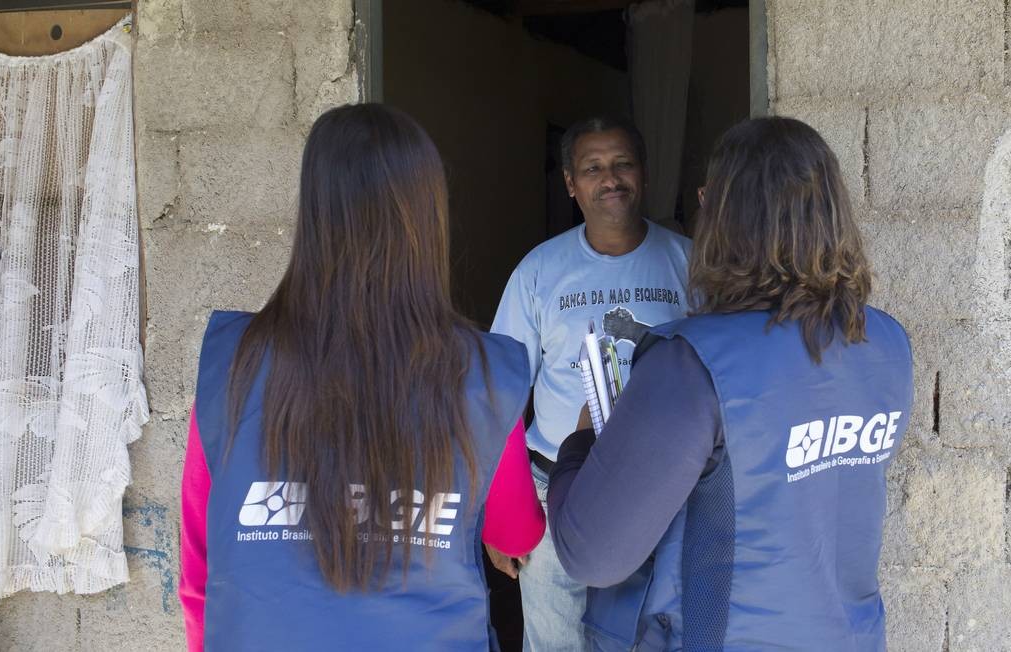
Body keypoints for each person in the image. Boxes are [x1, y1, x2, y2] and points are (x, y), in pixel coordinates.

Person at [178, 104, 545, 651]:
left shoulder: (235, 363)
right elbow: (514, 534)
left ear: (315, 212)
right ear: (428, 216)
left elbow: (199, 572)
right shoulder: (483, 373)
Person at [547, 117, 914, 650]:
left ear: (728, 218)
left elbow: (592, 553)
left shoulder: (692, 364)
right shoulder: (885, 345)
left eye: (707, 198)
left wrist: (579, 447)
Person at [490, 116, 691, 650]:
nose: (611, 178)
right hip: (555, 487)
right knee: (555, 640)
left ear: (644, 173)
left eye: (623, 163)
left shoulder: (689, 265)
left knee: (652, 634)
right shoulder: (539, 272)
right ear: (569, 183)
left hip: (660, 488)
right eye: (593, 167)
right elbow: (498, 394)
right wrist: (501, 514)